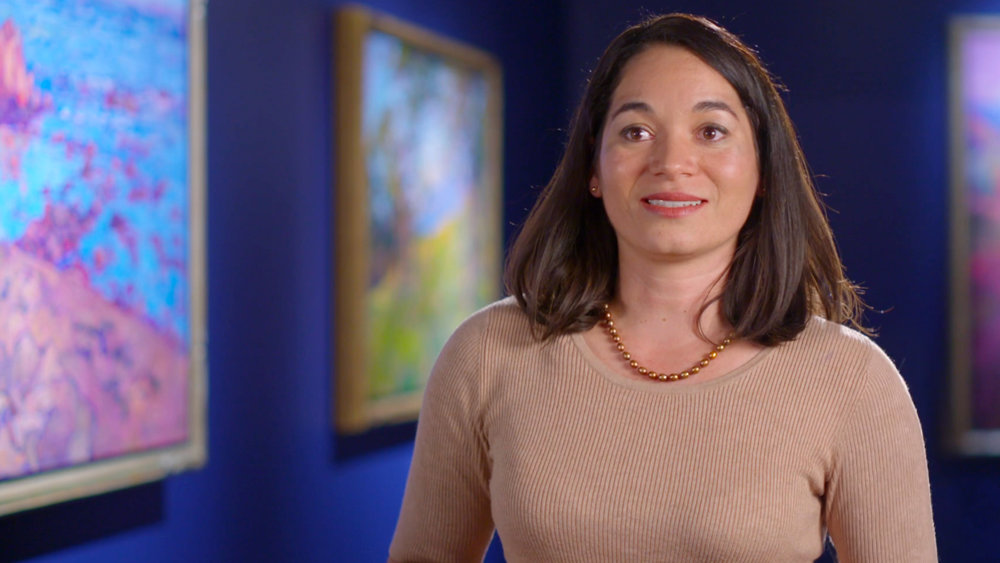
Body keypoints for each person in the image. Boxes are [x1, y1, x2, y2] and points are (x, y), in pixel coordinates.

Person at [389, 13, 936, 562]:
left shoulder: (852, 380)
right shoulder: (486, 353)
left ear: (764, 170)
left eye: (711, 132)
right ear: (594, 167)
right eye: (636, 132)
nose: (672, 163)